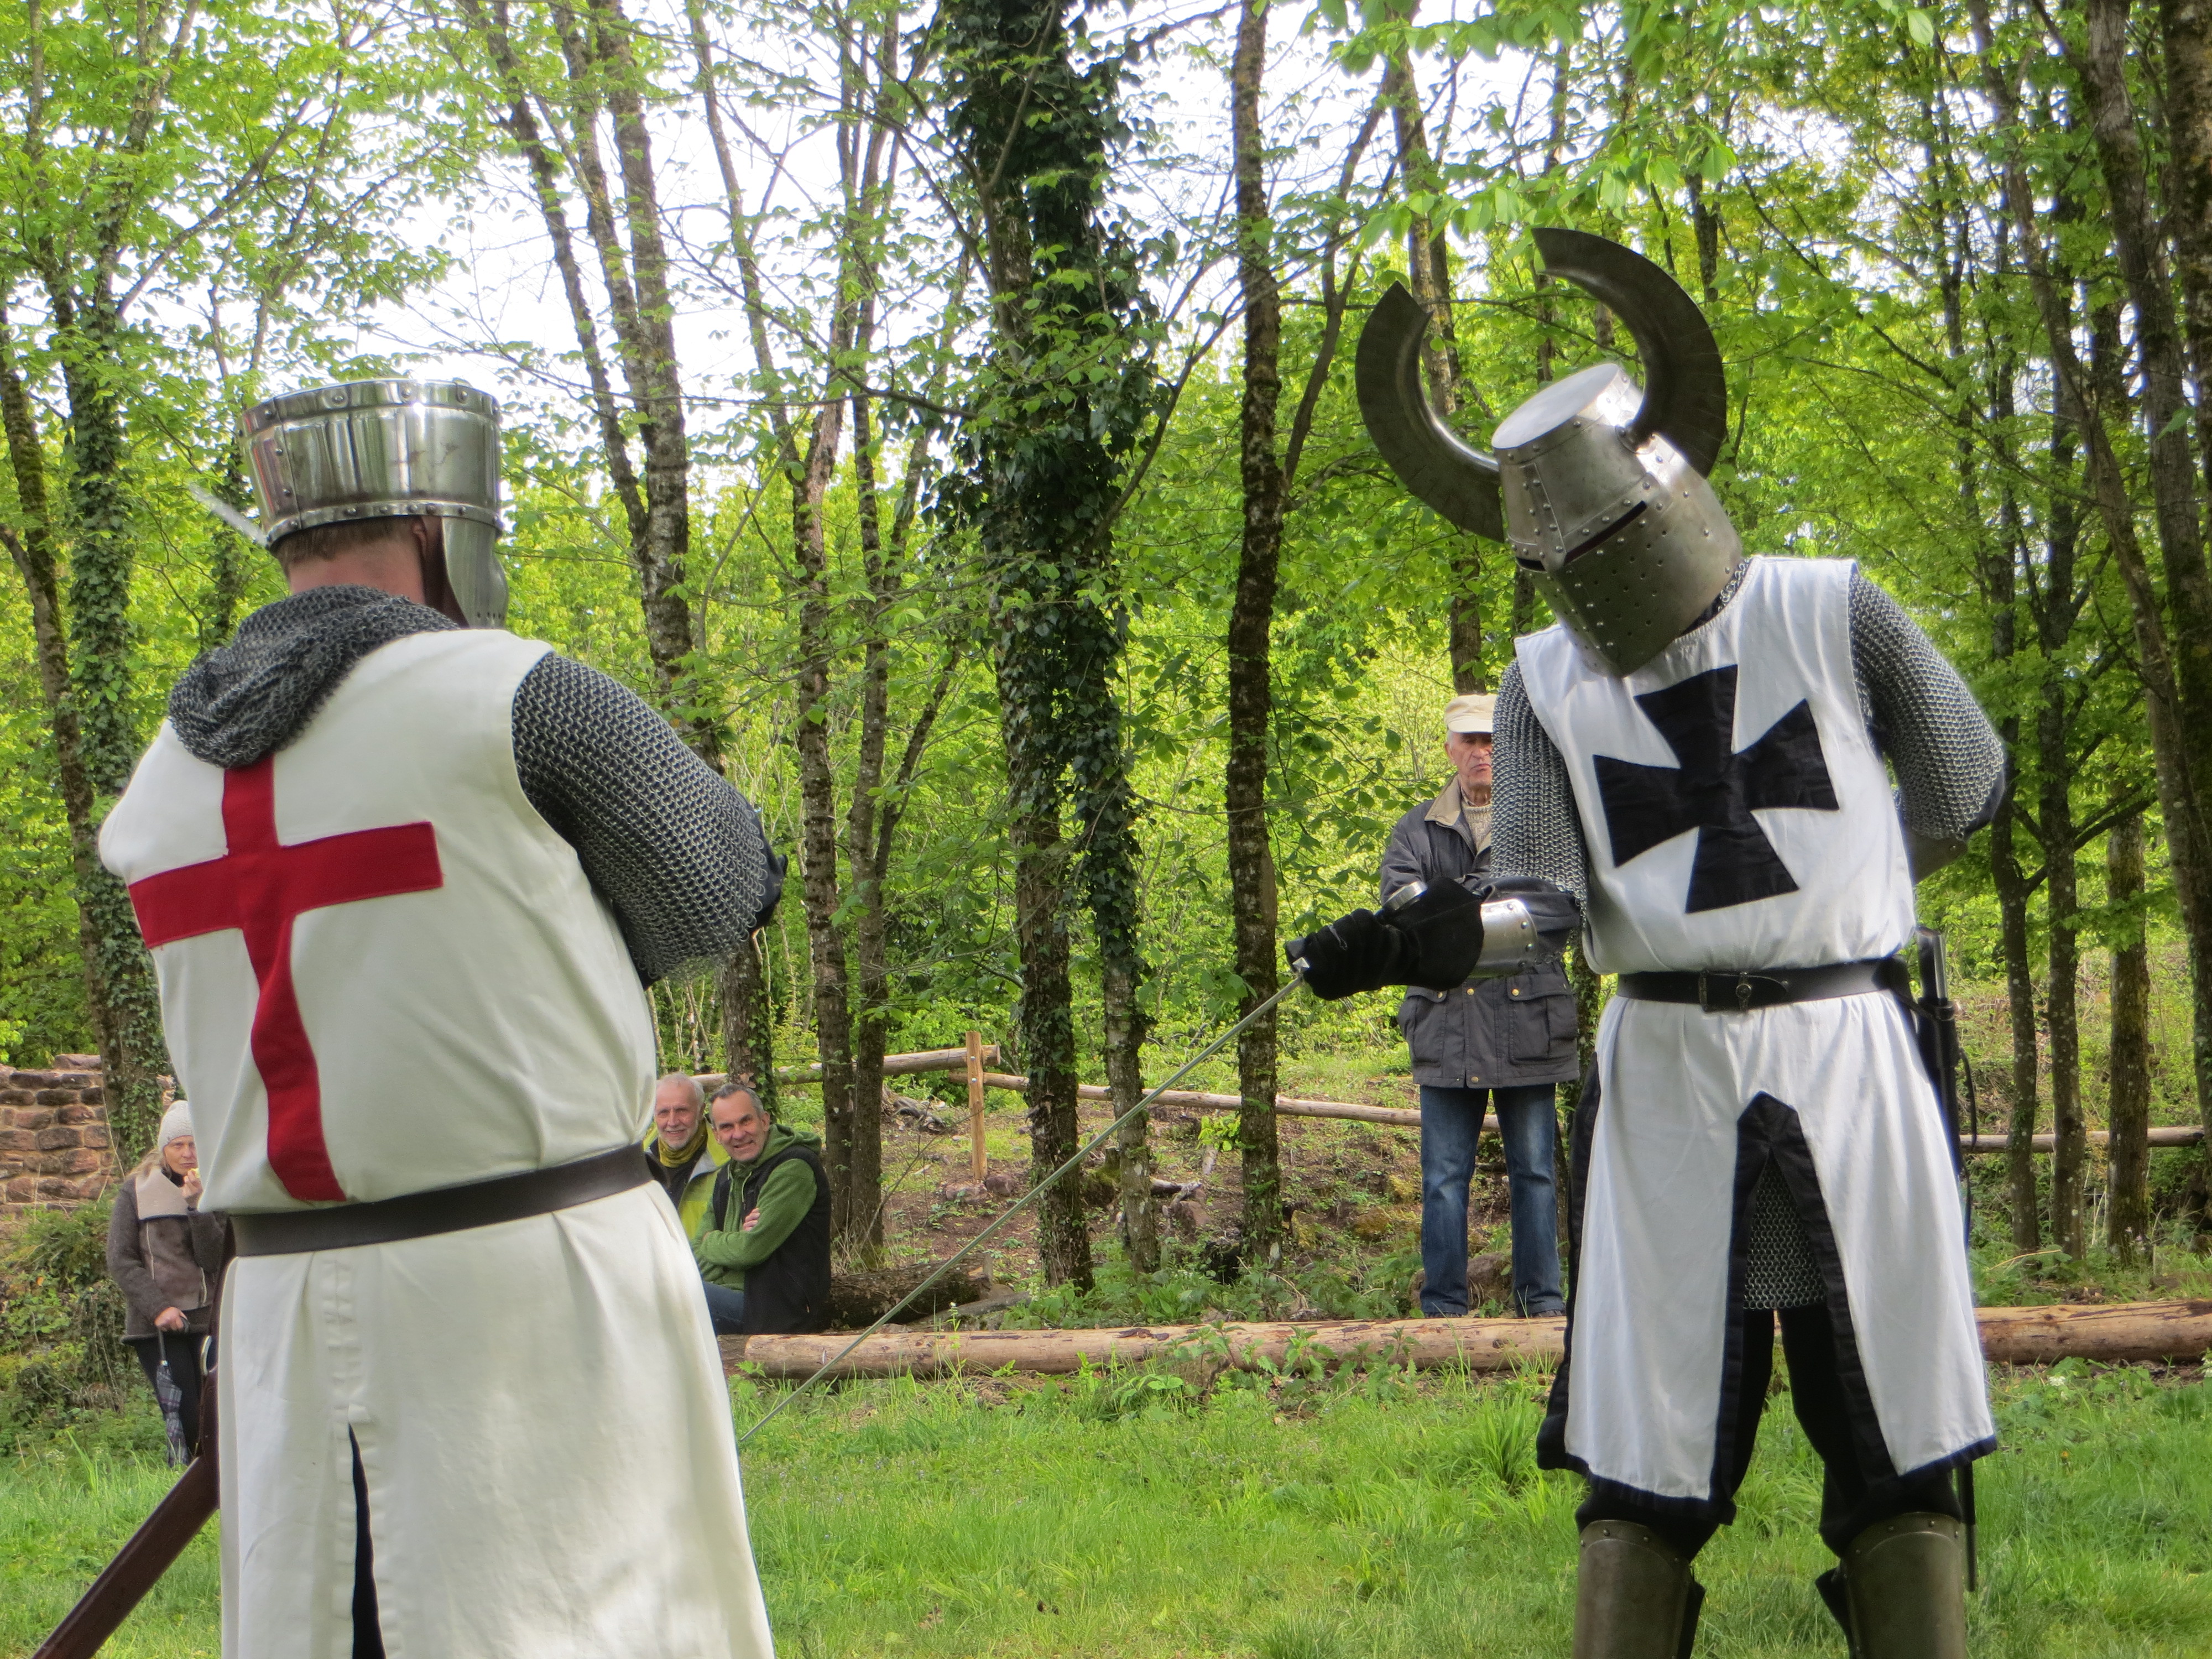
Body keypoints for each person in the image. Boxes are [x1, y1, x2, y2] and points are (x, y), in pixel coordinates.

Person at [1300, 232, 2003, 1658]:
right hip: (1668, 1072)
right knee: (1641, 1454)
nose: (1598, 570)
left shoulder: (1826, 607)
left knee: (1897, 1439)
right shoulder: (1545, 681)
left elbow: (1962, 781)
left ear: (1668, 490)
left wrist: (1849, 901)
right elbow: (1541, 906)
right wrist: (1418, 941)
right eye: (1567, 557)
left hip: (1848, 1057)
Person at [100, 379, 784, 1659]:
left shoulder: (160, 775)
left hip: (283, 1312)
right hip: (533, 1299)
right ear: (438, 527)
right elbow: (722, 887)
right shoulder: (513, 694)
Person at [1380, 691, 1578, 1318]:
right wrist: (1496, 900)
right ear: (1450, 749)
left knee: (1536, 1174)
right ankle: (1442, 1312)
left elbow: (1560, 913)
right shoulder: (1413, 830)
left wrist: (1455, 905)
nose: (1481, 752)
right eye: (1469, 740)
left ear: (1508, 747)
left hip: (1529, 1022)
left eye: (1491, 740)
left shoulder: (1542, 826)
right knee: (1441, 1179)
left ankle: (1541, 1307)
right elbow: (1406, 921)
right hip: (1445, 1023)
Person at [105, 1101, 226, 1459]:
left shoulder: (216, 1188)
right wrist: (159, 1308)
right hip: (156, 1326)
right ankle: (189, 1482)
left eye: (195, 1144)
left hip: (208, 1321)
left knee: (217, 1417)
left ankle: (218, 1484)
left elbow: (214, 1260)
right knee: (187, 1419)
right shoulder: (135, 1191)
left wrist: (197, 1206)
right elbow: (121, 1259)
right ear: (164, 1149)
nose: (188, 1154)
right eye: (178, 1145)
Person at [693, 1081, 831, 1336]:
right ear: (717, 1135)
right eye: (727, 1127)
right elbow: (695, 1250)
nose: (738, 1134)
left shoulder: (793, 1168)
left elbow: (749, 1250)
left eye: (745, 1121)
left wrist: (714, 1241)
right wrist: (732, 1243)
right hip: (731, 1296)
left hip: (776, 1310)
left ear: (765, 1121)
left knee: (672, 1293)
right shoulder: (727, 1176)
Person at [644, 1070, 729, 1239]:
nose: (673, 1122)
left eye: (682, 1111)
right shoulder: (638, 1163)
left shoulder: (727, 1162)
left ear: (701, 1111)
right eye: (663, 1112)